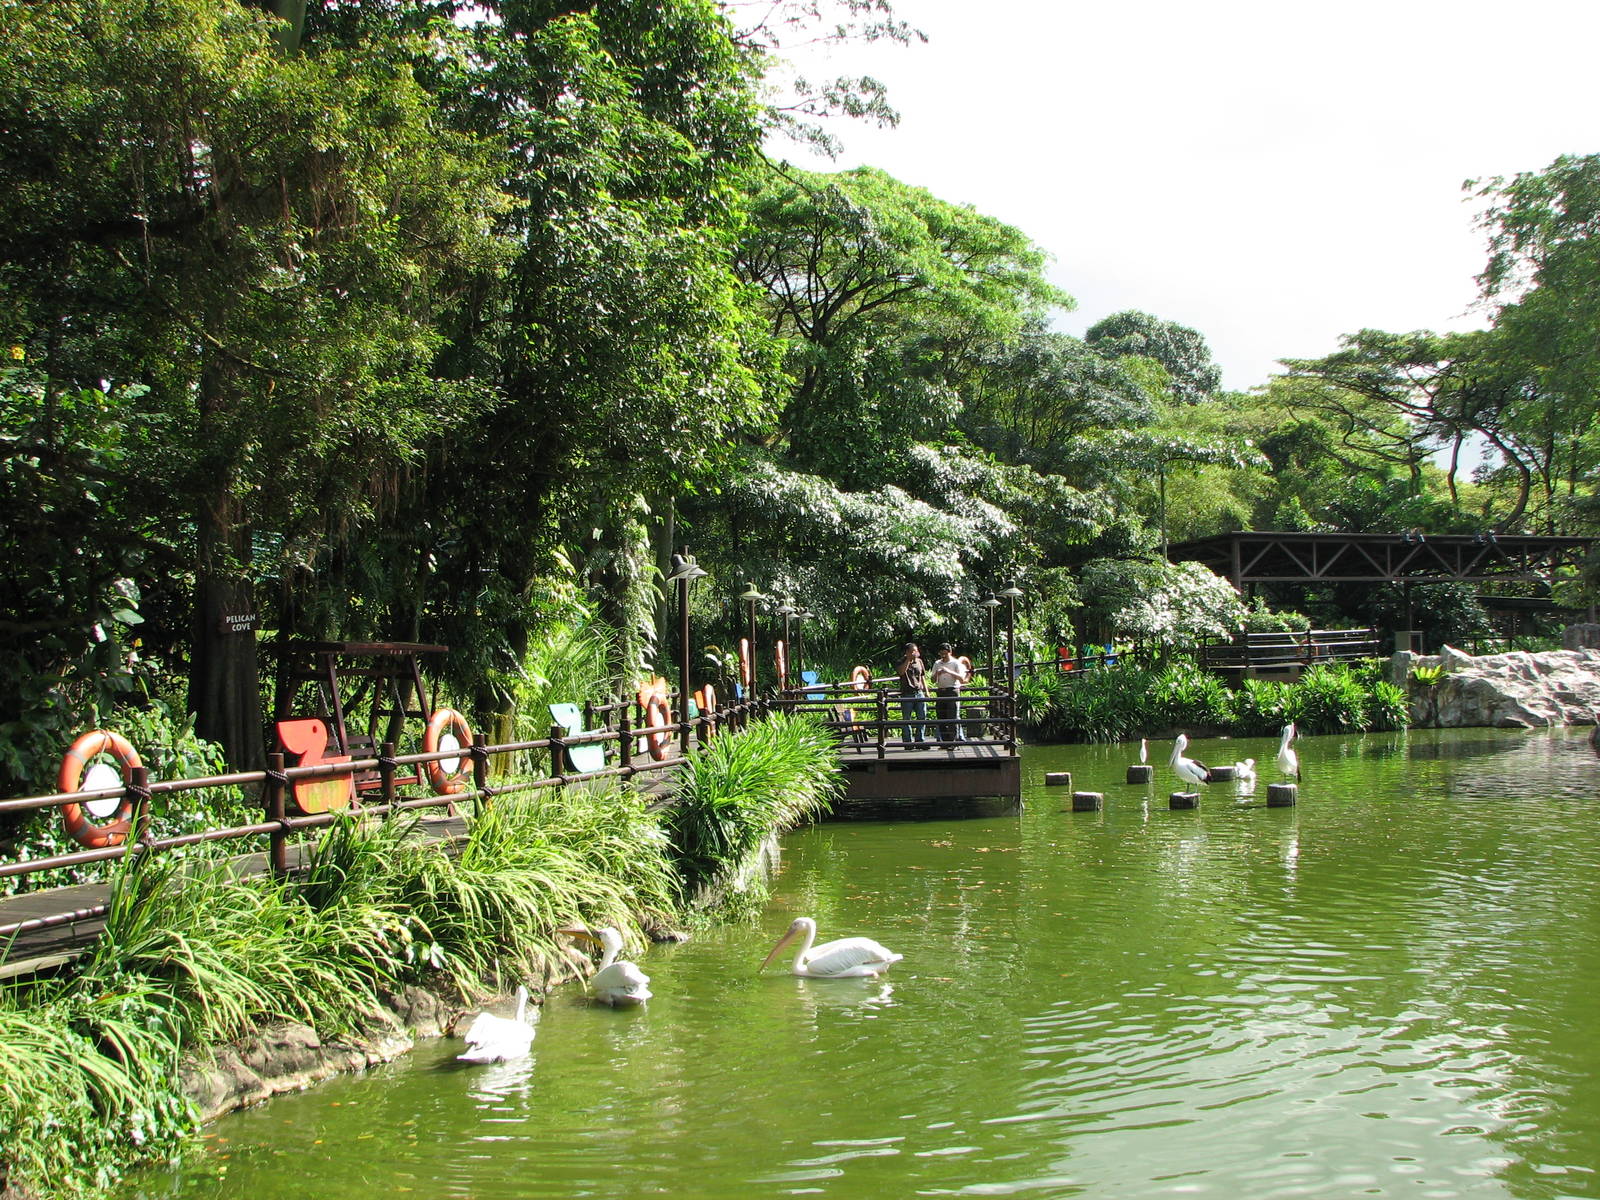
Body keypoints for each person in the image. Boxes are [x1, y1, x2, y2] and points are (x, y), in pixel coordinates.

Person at [931, 643, 971, 744]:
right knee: (941, 717)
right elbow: (932, 680)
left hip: (952, 690)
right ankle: (945, 742)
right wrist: (937, 673)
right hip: (941, 691)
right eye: (941, 654)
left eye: (945, 654)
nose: (943, 656)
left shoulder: (956, 663)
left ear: (950, 652)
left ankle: (953, 742)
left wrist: (949, 672)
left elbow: (962, 679)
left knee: (952, 717)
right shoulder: (937, 663)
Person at [896, 643, 928, 746]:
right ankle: (908, 742)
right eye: (912, 651)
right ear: (907, 652)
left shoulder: (919, 661)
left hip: (919, 692)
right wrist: (908, 660)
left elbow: (922, 676)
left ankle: (920, 741)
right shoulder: (901, 661)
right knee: (906, 719)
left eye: (916, 651)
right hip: (907, 694)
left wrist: (926, 691)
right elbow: (901, 672)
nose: (915, 653)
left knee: (922, 717)